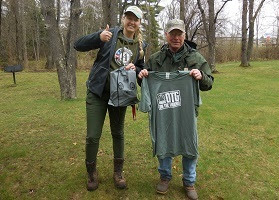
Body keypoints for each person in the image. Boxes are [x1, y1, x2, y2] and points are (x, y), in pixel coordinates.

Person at [138, 19, 214, 200]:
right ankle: (165, 176)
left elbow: (209, 83)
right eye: (172, 34)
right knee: (163, 139)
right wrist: (142, 76)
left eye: (179, 34)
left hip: (186, 112)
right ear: (166, 35)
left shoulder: (195, 58)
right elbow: (146, 83)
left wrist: (200, 75)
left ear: (184, 36)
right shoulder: (156, 59)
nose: (176, 37)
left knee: (189, 142)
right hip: (163, 112)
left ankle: (189, 181)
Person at [74, 6, 147, 191]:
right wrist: (98, 37)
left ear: (139, 23)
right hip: (98, 93)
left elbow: (140, 72)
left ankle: (118, 172)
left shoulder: (141, 46)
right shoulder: (110, 35)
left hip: (120, 96)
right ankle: (91, 172)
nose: (132, 22)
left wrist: (137, 71)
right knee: (92, 136)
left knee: (118, 133)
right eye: (129, 17)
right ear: (123, 19)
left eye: (135, 19)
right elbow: (78, 44)